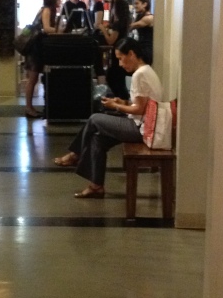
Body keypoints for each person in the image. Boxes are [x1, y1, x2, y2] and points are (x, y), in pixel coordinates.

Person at [53, 37, 163, 198]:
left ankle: (75, 154)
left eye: (121, 58)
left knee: (95, 119)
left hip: (141, 128)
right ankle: (96, 186)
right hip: (144, 125)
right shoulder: (147, 71)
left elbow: (139, 109)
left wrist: (115, 106)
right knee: (97, 139)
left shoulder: (139, 75)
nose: (120, 64)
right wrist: (122, 102)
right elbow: (142, 104)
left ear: (131, 54)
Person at [24, 0, 63, 118]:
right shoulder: (47, 10)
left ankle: (29, 107)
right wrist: (59, 31)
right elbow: (46, 28)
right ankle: (28, 108)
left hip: (36, 48)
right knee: (32, 79)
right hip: (35, 49)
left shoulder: (44, 10)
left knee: (33, 79)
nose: (59, 0)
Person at [99, 0, 132, 99]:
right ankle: (122, 99)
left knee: (113, 78)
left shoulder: (118, 24)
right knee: (118, 78)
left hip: (118, 53)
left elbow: (111, 41)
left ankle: (123, 99)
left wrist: (103, 30)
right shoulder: (124, 22)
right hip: (122, 51)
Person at [132, 0, 154, 65]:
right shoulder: (139, 16)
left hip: (147, 49)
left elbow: (132, 26)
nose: (135, 6)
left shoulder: (149, 18)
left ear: (145, 4)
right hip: (142, 47)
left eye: (137, 3)